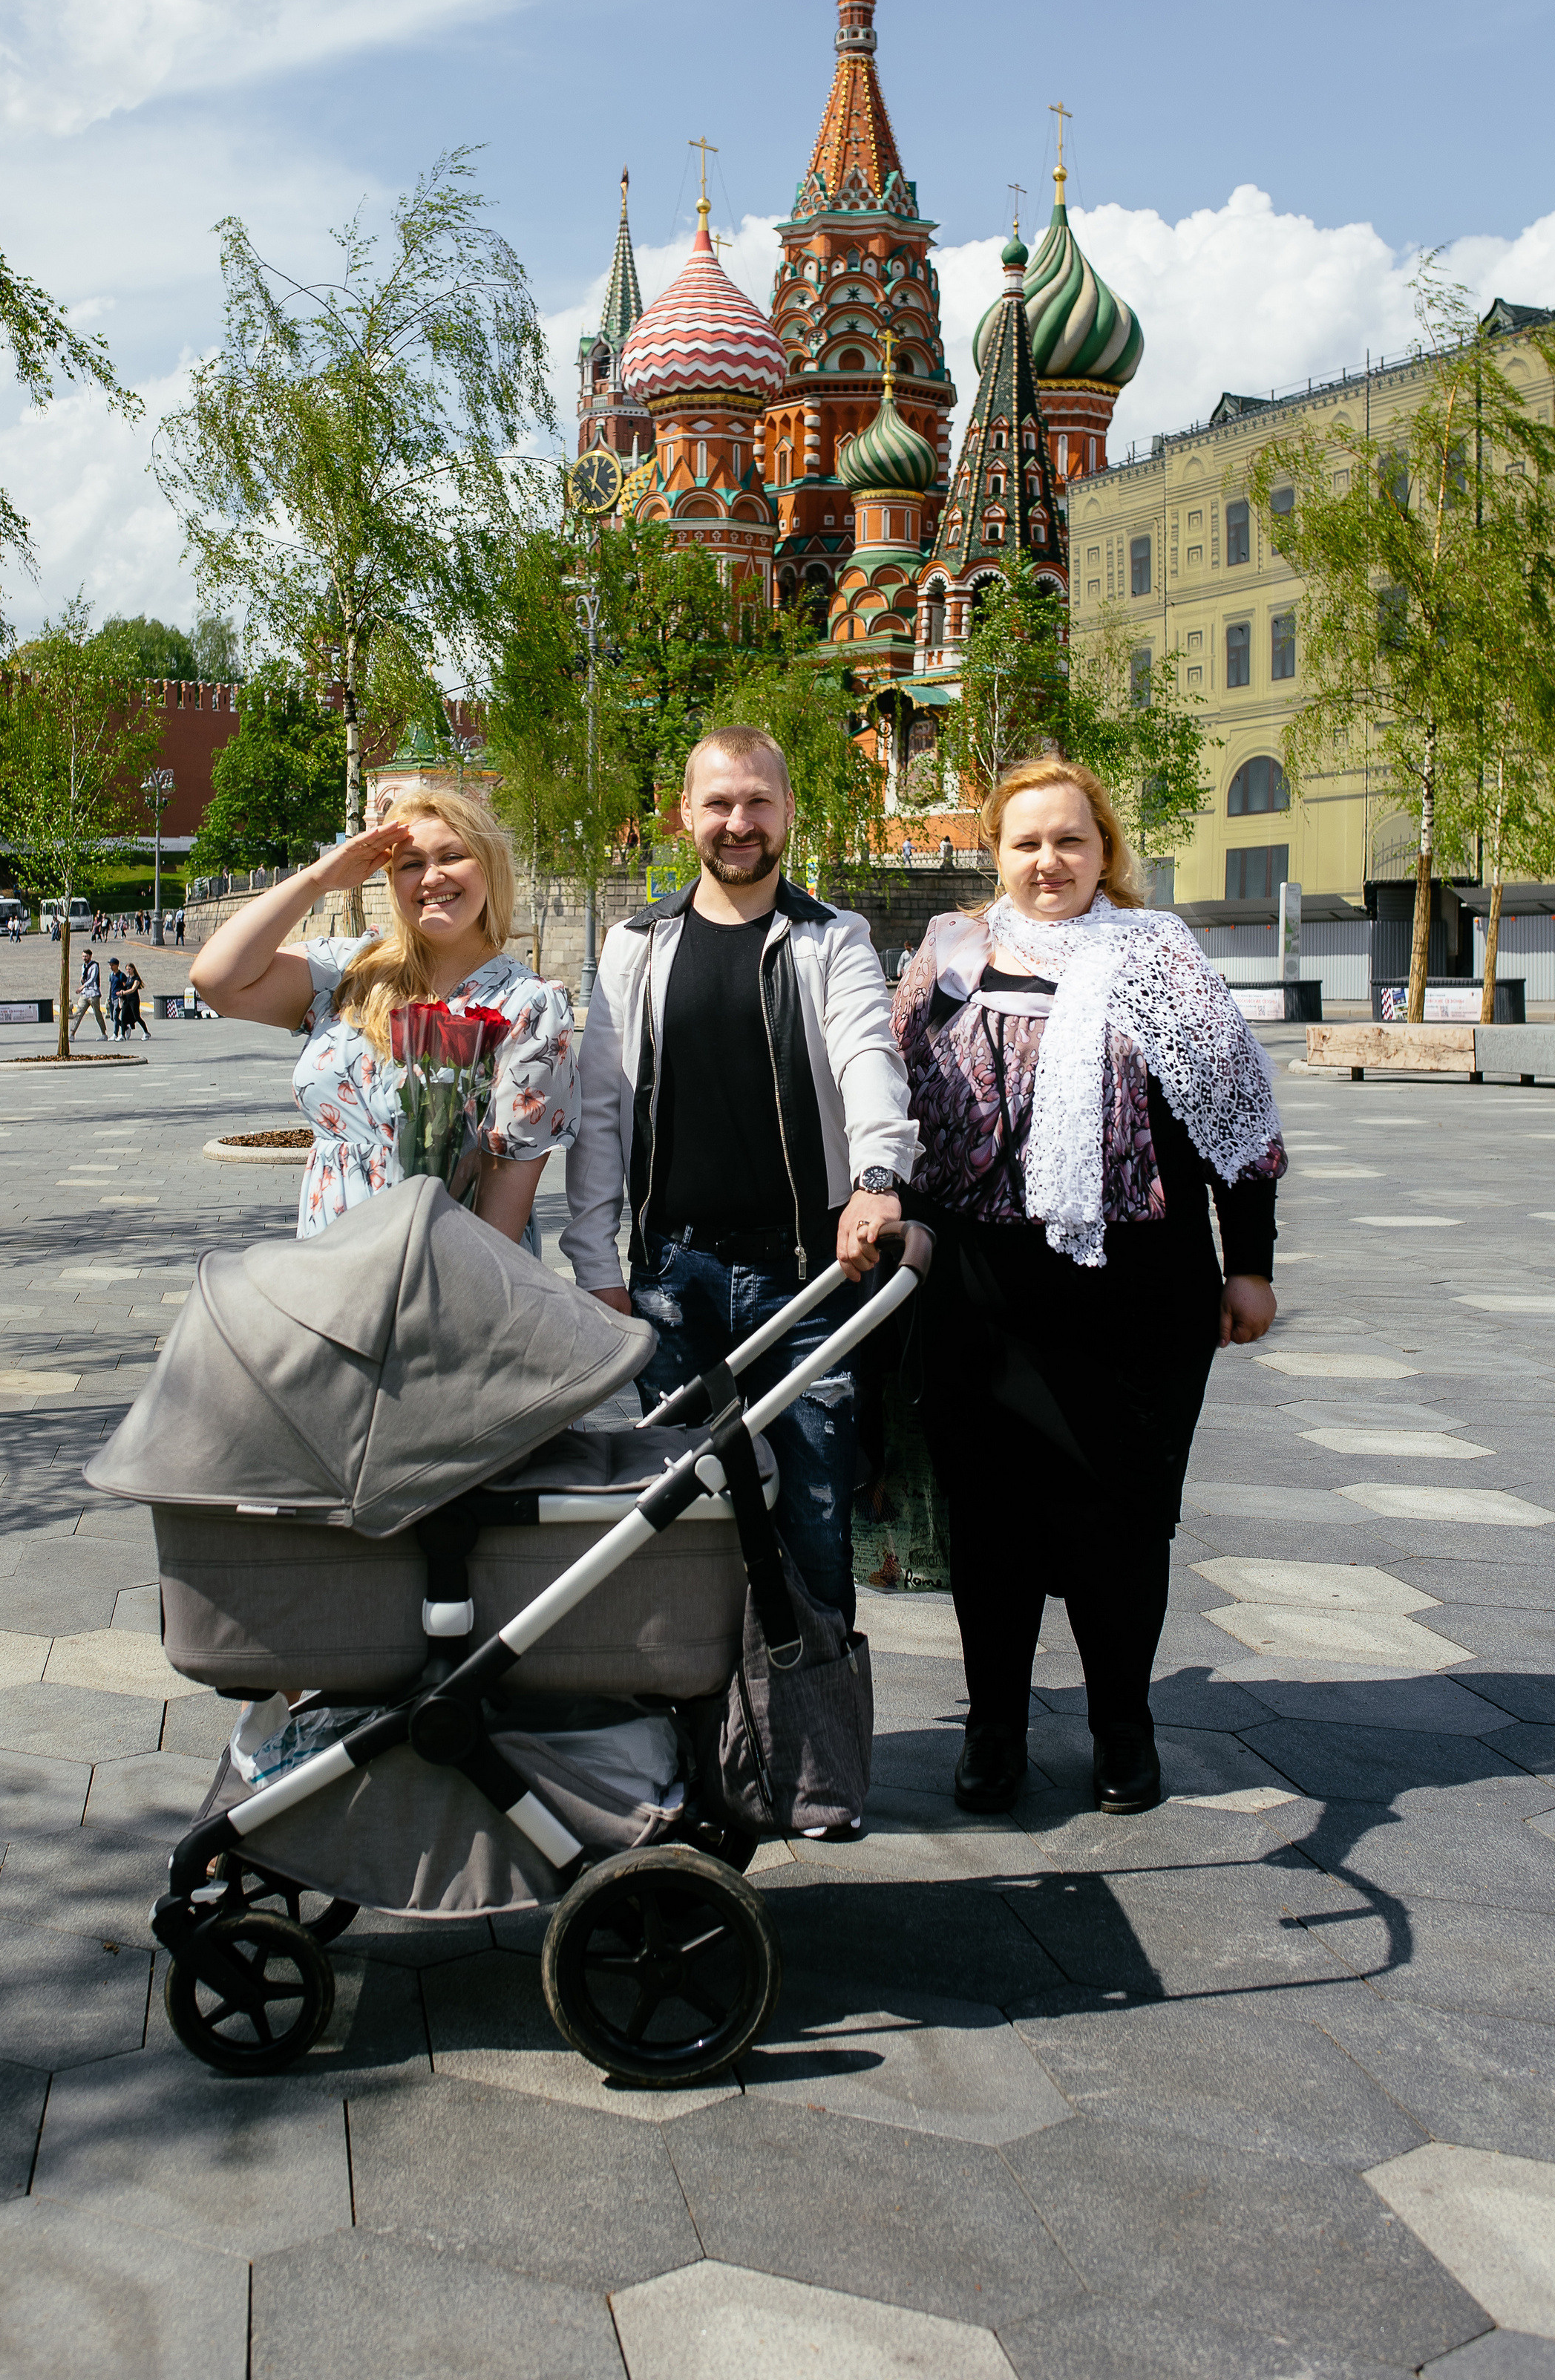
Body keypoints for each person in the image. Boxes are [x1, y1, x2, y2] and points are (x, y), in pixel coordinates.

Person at [892, 756, 1286, 1820]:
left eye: (1069, 840)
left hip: (1136, 1297)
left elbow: (1237, 1124)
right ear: (995, 855)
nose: (1048, 861)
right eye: (1026, 843)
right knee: (991, 1525)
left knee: (1120, 1523)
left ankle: (1124, 1728)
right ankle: (994, 1731)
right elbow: (892, 1110)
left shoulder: (1160, 958)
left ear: (1105, 849)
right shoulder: (948, 960)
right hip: (982, 1293)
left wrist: (1249, 1262)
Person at [563, 724, 918, 1634]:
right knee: (678, 1524)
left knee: (812, 1524)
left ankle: (815, 1753)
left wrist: (879, 1176)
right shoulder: (634, 948)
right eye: (718, 802)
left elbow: (869, 1060)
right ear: (684, 815)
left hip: (807, 1281)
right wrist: (594, 1258)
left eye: (759, 800)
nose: (739, 821)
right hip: (672, 1281)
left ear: (788, 811)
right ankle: (695, 1743)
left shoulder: (830, 940)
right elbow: (603, 1110)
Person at [191, 785, 579, 1251]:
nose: (432, 877)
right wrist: (318, 879)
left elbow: (509, 1176)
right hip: (327, 1260)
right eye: (411, 864)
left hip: (444, 1266)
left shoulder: (527, 1004)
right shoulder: (350, 968)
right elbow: (217, 980)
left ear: (490, 868)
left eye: (452, 856)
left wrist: (462, 1296)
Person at [69, 949, 107, 1040]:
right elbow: (84, 977)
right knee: (78, 1013)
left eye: (86, 956)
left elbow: (93, 979)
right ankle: (72, 1033)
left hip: (93, 994)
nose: (84, 958)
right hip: (85, 994)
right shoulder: (83, 966)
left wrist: (82, 986)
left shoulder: (94, 966)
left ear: (90, 956)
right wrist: (82, 980)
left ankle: (104, 1033)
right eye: (83, 956)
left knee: (98, 1014)